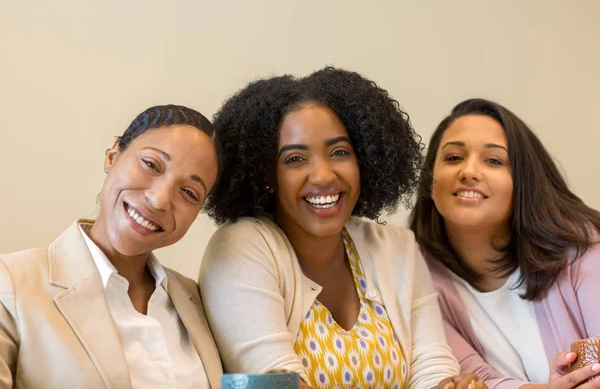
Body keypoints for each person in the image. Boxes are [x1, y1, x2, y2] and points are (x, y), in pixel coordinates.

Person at [199, 67, 479, 389]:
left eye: (339, 153)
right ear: (267, 176)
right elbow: (273, 381)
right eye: (295, 159)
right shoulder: (241, 248)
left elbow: (431, 368)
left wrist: (451, 385)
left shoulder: (397, 247)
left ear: (365, 160)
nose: (323, 175)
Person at [0, 105, 223, 388]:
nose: (159, 199)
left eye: (189, 193)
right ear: (113, 155)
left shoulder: (202, 303)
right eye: (151, 165)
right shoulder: (10, 283)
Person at [409, 98, 600, 389]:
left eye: (494, 161)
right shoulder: (415, 276)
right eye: (453, 158)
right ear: (430, 186)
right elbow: (471, 380)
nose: (469, 172)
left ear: (523, 183)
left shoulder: (582, 248)